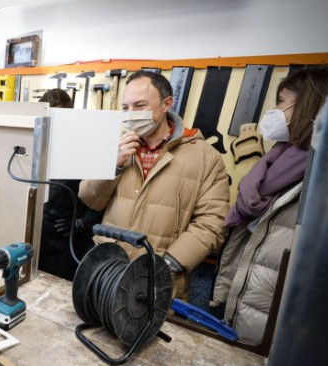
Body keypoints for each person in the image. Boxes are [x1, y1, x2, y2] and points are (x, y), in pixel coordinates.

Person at [210, 67, 328, 345]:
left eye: (282, 102)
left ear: (310, 105)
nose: (274, 111)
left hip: (277, 332)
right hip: (240, 314)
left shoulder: (327, 178)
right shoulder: (279, 157)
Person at [78, 70, 229, 300]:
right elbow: (90, 199)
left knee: (151, 334)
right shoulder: (115, 146)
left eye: (140, 106)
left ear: (167, 104)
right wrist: (114, 164)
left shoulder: (206, 157)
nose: (131, 115)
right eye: (125, 108)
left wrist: (170, 264)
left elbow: (213, 222)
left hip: (161, 281)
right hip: (108, 270)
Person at [37, 89, 102, 280]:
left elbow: (102, 195)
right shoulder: (33, 144)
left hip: (69, 237)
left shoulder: (87, 150)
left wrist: (83, 223)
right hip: (39, 232)